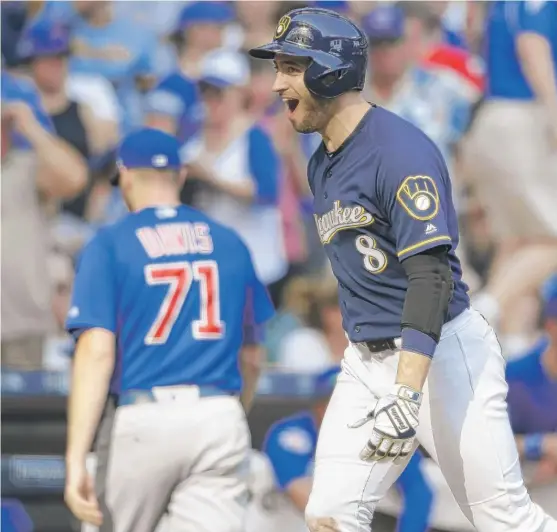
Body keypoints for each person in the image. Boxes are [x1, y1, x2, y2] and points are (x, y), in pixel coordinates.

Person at [249, 7, 557, 532]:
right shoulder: (321, 159)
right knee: (329, 514)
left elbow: (431, 277)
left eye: (291, 66)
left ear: (332, 70)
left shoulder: (400, 151)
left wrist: (408, 390)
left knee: (505, 519)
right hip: (368, 360)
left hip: (439, 354)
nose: (277, 83)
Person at [63, 128, 274, 532]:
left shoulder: (110, 242)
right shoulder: (229, 241)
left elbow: (96, 351)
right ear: (179, 177)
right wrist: (231, 412)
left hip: (144, 416)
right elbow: (252, 356)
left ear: (124, 175)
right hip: (216, 413)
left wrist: (75, 458)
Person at [260, 366, 433, 532]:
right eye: (336, 402)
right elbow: (302, 494)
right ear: (318, 407)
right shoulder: (291, 433)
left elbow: (419, 493)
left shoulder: (381, 434)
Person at [506, 273, 557, 515]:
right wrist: (541, 445)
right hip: (523, 491)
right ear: (551, 326)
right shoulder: (517, 375)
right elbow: (490, 444)